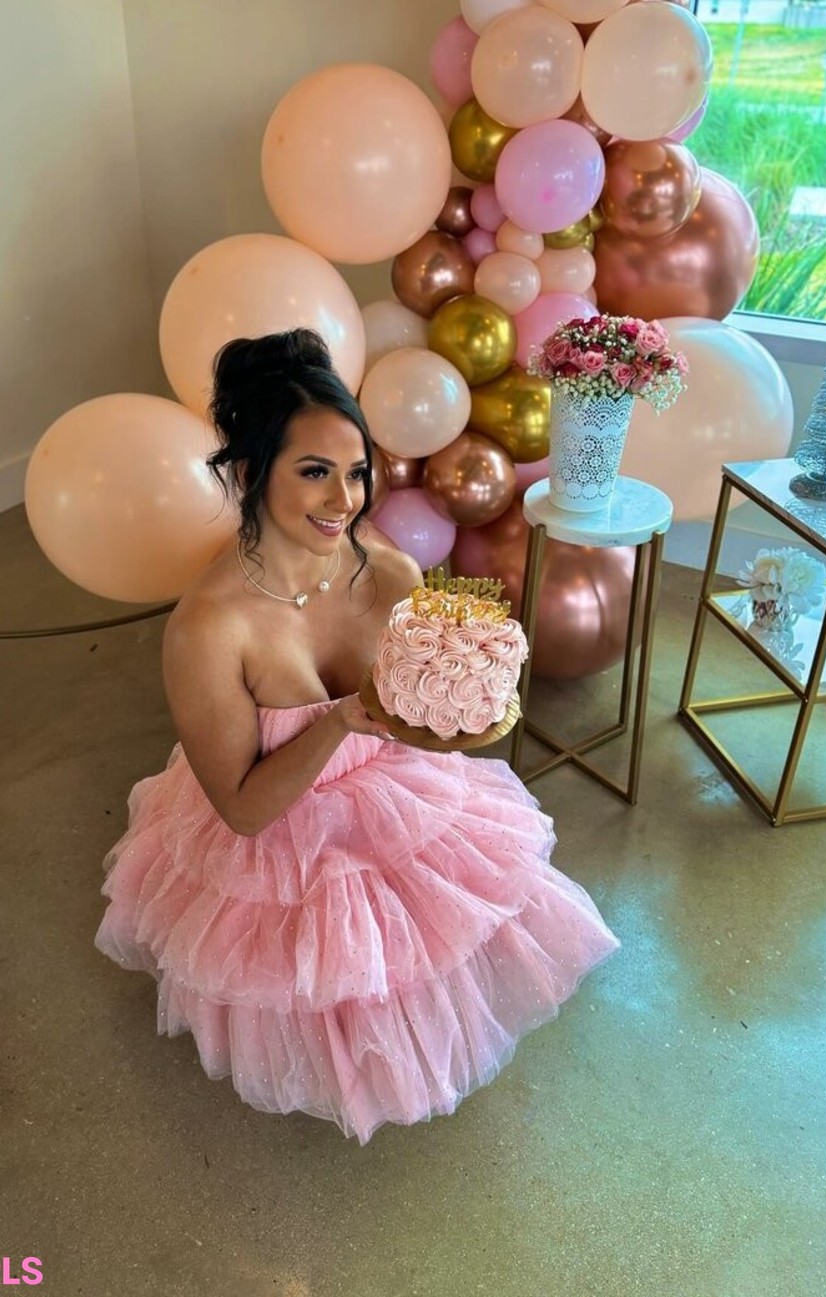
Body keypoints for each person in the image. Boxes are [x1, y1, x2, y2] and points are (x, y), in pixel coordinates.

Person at [95, 328, 619, 1144]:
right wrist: (341, 718)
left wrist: (454, 705)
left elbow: (417, 711)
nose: (344, 500)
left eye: (356, 471)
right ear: (250, 473)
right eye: (314, 471)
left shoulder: (387, 568)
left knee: (432, 942)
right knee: (325, 985)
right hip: (279, 827)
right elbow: (243, 810)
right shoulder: (208, 628)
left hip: (393, 792)